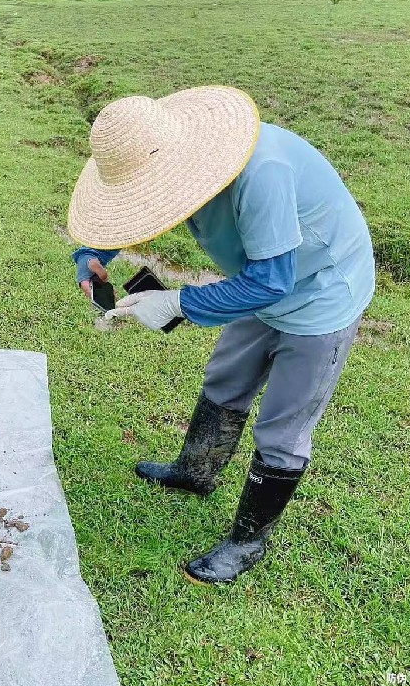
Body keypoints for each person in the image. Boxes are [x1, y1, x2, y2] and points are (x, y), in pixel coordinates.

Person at [68, 86, 375, 583]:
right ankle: (196, 473)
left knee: (283, 428)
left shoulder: (263, 174)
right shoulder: (177, 163)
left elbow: (273, 281)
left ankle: (248, 542)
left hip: (320, 296)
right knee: (226, 379)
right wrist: (93, 254)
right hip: (256, 281)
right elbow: (132, 210)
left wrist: (179, 302)